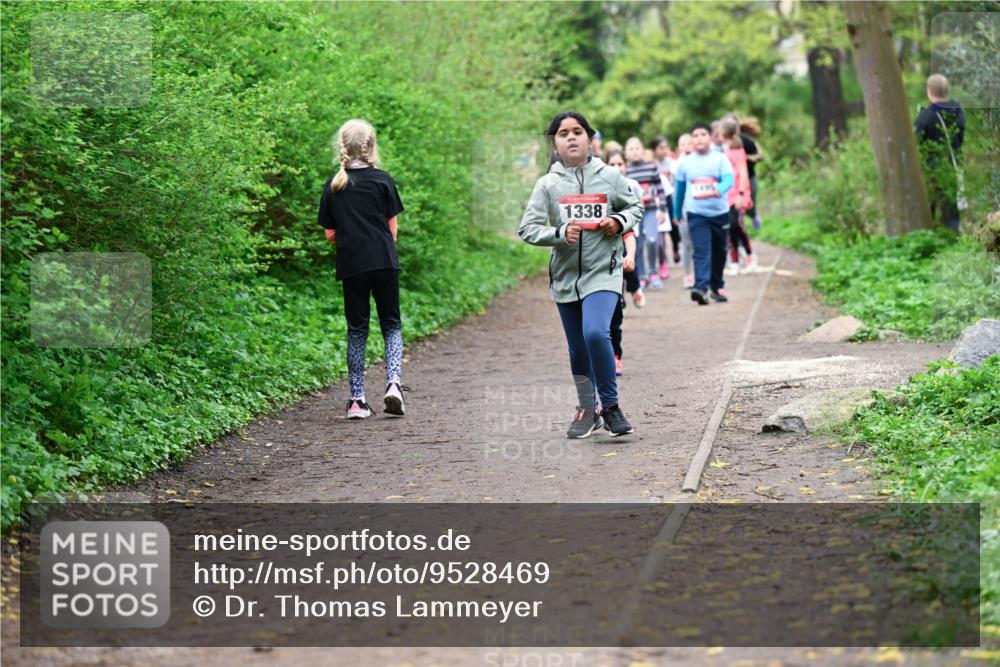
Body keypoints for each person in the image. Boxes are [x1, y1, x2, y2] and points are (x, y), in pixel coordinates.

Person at [519, 111, 642, 438]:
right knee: (577, 348)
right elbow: (528, 228)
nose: (571, 137)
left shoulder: (609, 177)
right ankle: (588, 410)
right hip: (565, 277)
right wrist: (558, 233)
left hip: (604, 272)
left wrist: (618, 221)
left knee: (595, 333)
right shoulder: (548, 184)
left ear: (590, 139)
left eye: (577, 132)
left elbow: (634, 207)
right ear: (555, 144)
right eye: (563, 133)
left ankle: (612, 408)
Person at [317, 119, 406, 419]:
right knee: (391, 325)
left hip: (352, 265)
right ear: (371, 146)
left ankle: (357, 400)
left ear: (342, 146)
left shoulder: (334, 185)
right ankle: (393, 384)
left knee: (357, 331)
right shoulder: (383, 180)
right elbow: (392, 230)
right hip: (383, 261)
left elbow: (330, 234)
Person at [673, 122, 734, 305]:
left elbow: (729, 179)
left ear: (710, 137)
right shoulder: (684, 162)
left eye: (703, 134)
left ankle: (717, 286)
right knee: (701, 250)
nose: (699, 138)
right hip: (696, 213)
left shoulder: (720, 158)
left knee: (720, 251)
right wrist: (676, 212)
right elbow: (680, 189)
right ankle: (700, 287)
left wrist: (720, 189)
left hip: (720, 213)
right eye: (696, 135)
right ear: (692, 140)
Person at [605, 149, 642, 376]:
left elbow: (629, 235)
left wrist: (629, 257)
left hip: (615, 269)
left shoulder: (623, 201)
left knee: (615, 318)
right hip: (593, 270)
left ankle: (615, 356)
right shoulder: (594, 202)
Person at [915, 73, 966, 232]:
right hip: (954, 165)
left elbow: (916, 141)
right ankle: (954, 240)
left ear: (929, 91)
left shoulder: (926, 116)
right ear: (947, 91)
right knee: (951, 209)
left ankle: (929, 240)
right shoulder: (958, 112)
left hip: (932, 168)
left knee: (928, 208)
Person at [625, 137, 669, 289]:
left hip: (650, 210)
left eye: (637, 148)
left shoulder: (651, 167)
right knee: (638, 243)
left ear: (643, 150)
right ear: (626, 153)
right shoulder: (626, 171)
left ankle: (653, 271)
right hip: (634, 213)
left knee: (652, 240)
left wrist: (662, 210)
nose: (635, 151)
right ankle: (642, 276)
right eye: (631, 149)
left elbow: (661, 189)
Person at [606, 149, 645, 310]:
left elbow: (640, 205)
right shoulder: (602, 185)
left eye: (620, 164)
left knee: (628, 262)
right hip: (609, 233)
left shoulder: (632, 184)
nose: (616, 167)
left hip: (630, 231)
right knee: (614, 264)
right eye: (612, 164)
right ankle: (619, 297)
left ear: (626, 165)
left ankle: (635, 287)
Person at [721, 118, 756, 277]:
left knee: (737, 226)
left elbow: (743, 172)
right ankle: (734, 262)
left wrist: (742, 194)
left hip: (738, 195)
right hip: (725, 196)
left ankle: (750, 255)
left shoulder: (737, 149)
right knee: (729, 229)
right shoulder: (722, 149)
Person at [652, 135, 681, 273]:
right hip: (658, 199)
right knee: (662, 228)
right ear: (654, 149)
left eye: (666, 147)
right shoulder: (652, 164)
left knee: (674, 225)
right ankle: (663, 259)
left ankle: (676, 247)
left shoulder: (672, 163)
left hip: (672, 196)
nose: (664, 151)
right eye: (661, 148)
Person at [673, 133, 696, 289]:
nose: (686, 147)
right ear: (679, 148)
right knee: (687, 243)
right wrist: (676, 212)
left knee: (698, 243)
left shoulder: (699, 163)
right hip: (683, 209)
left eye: (689, 143)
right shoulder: (676, 166)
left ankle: (698, 273)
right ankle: (687, 273)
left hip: (697, 208)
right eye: (683, 144)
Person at [739, 116, 763, 230]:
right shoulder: (725, 141)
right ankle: (739, 228)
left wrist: (744, 158)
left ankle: (754, 216)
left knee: (750, 204)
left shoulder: (747, 140)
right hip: (735, 180)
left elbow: (759, 156)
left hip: (750, 176)